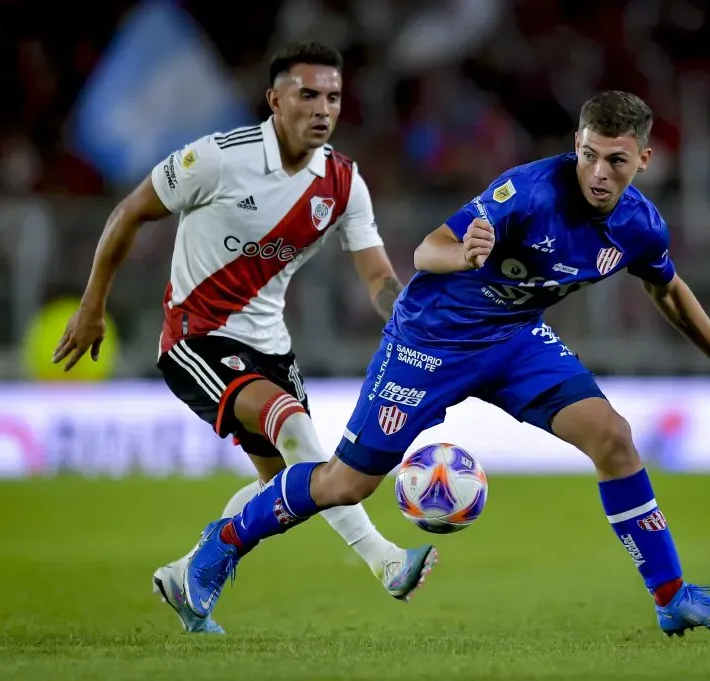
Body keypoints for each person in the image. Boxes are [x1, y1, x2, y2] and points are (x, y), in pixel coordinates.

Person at [183, 90, 710, 637]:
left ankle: (671, 598)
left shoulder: (640, 225)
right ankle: (224, 542)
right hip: (430, 341)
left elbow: (667, 288)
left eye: (615, 161)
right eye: (588, 154)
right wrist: (464, 254)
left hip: (514, 341)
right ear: (576, 143)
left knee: (613, 438)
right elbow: (425, 251)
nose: (597, 172)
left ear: (642, 158)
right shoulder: (529, 192)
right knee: (347, 483)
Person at [52, 41, 436, 634]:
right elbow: (129, 211)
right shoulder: (216, 159)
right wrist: (92, 304)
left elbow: (379, 277)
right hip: (196, 337)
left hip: (269, 347)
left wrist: (417, 325)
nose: (322, 109)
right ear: (275, 99)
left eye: (333, 97)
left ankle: (186, 574)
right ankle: (385, 561)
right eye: (308, 95)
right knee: (296, 428)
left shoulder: (341, 182)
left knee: (288, 490)